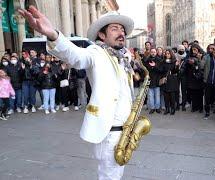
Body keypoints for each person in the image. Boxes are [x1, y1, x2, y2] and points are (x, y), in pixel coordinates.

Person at [19, 6, 136, 180]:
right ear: (102, 35)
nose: (121, 33)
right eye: (114, 28)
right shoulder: (96, 52)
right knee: (110, 176)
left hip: (125, 130)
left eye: (122, 29)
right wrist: (53, 34)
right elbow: (75, 55)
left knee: (117, 174)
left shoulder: (124, 58)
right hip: (109, 133)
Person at [158, 49, 180, 115]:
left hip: (172, 80)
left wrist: (176, 65)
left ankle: (173, 109)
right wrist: (155, 66)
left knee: (172, 96)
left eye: (168, 53)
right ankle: (167, 109)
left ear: (171, 54)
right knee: (166, 96)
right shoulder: (162, 61)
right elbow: (160, 70)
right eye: (166, 53)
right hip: (165, 80)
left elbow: (176, 71)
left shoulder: (174, 61)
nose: (167, 55)